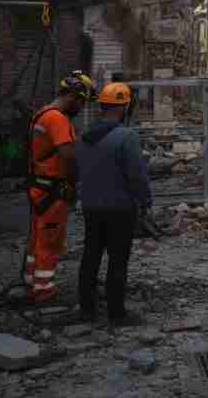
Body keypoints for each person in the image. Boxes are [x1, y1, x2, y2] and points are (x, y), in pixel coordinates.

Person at [76, 81, 152, 326]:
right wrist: (145, 201)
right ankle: (116, 313)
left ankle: (86, 309)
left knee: (91, 256)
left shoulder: (86, 135)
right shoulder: (126, 137)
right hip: (120, 208)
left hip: (91, 206)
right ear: (124, 107)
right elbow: (136, 174)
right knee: (118, 260)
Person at [25, 70, 97, 303]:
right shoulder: (57, 119)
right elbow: (69, 155)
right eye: (81, 102)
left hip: (40, 187)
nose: (81, 108)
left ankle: (31, 282)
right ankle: (43, 291)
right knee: (50, 242)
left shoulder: (41, 114)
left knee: (37, 239)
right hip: (54, 190)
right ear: (72, 96)